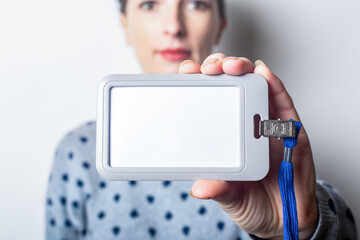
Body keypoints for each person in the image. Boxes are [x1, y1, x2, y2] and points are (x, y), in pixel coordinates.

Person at [46, 0, 357, 239]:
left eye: (195, 3)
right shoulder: (78, 153)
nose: (173, 26)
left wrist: (297, 227)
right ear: (125, 24)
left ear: (220, 25)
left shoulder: (269, 154)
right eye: (150, 4)